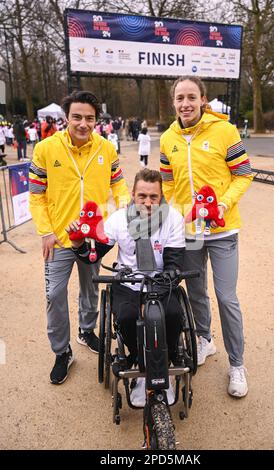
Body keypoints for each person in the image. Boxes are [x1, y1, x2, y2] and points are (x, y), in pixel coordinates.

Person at [160, 76, 253, 398]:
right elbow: (167, 184)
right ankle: (204, 339)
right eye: (179, 98)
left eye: (191, 97)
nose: (185, 104)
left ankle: (237, 365)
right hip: (190, 234)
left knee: (227, 297)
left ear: (202, 99)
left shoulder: (225, 131)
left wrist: (222, 204)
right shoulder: (167, 138)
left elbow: (243, 174)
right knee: (196, 292)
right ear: (173, 102)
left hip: (223, 230)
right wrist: (174, 211)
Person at [29, 90, 130, 385]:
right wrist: (46, 231)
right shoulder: (45, 149)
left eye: (89, 118)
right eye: (77, 117)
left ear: (97, 119)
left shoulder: (106, 148)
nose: (83, 123)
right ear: (66, 118)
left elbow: (119, 182)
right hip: (60, 239)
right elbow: (36, 196)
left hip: (93, 237)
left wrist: (123, 207)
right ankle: (62, 352)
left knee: (90, 288)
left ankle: (87, 330)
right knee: (53, 295)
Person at [68, 168, 185, 406]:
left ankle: (169, 355)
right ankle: (138, 358)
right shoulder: (118, 219)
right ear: (133, 194)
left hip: (160, 281)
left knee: (173, 314)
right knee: (127, 316)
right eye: (142, 196)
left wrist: (170, 277)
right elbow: (92, 257)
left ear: (161, 196)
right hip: (128, 281)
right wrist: (78, 242)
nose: (148, 202)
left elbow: (174, 261)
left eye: (154, 197)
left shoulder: (173, 218)